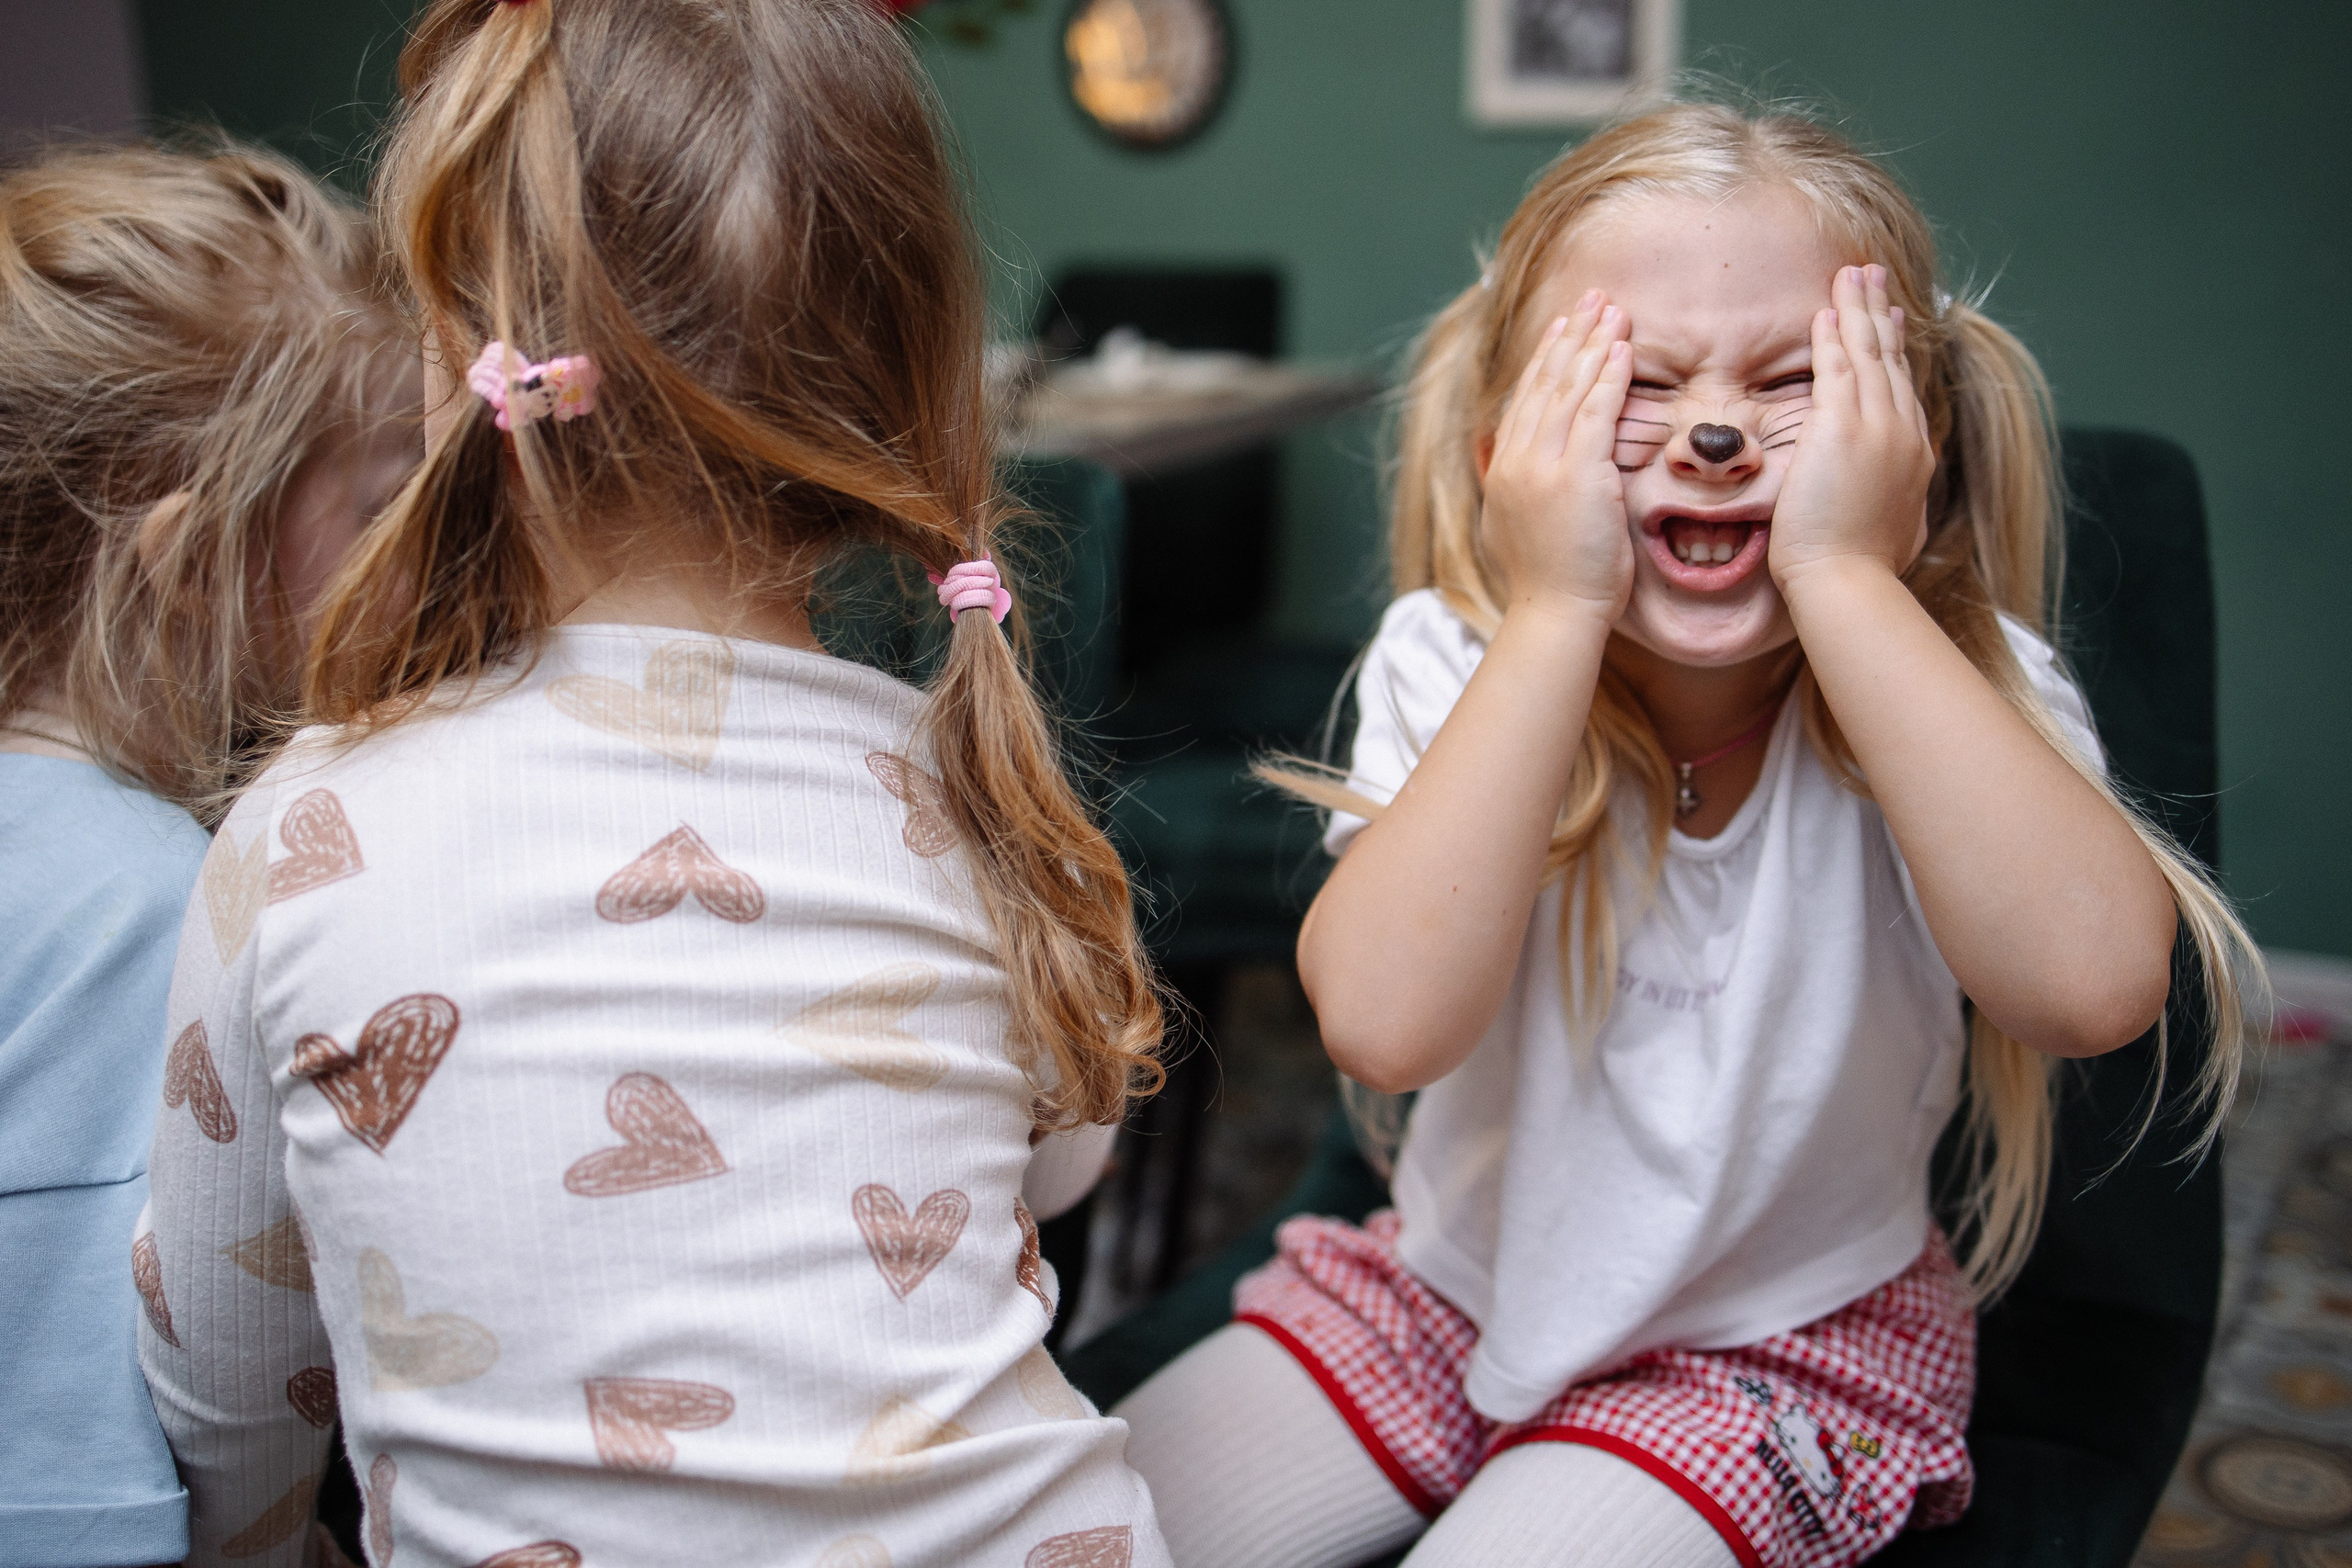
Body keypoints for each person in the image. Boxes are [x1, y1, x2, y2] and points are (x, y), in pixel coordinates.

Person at [1114, 102, 2261, 1568]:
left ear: (1911, 440)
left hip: (1775, 1349)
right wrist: (1553, 610)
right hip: (1446, 1288)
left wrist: (1846, 569)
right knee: (1075, 1534)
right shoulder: (1456, 659)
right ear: (1506, 450)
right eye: (1633, 385)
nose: (1714, 435)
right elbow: (1386, 1031)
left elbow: (2092, 991)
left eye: (1794, 384)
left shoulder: (1963, 688)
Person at [135, 2, 1170, 1564]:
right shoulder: (969, 795)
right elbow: (1064, 1162)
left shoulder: (306, 829)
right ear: (898, 382)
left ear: (469, 356)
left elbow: (222, 1393)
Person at [0, 142, 410, 1568]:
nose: (425, 555)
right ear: (194, 560)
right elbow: (76, 1505)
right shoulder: (143, 907)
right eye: (380, 504)